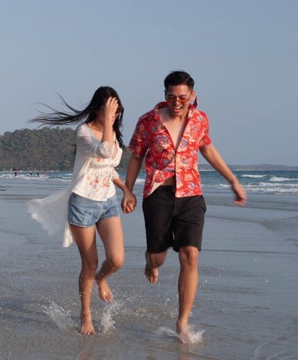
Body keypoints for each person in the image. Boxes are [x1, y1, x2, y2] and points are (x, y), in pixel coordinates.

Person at [123, 70, 247, 343]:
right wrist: (128, 191)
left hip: (191, 194)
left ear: (192, 95)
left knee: (190, 254)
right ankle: (150, 260)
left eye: (182, 97)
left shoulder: (200, 119)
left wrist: (233, 180)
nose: (176, 102)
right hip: (158, 194)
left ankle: (182, 321)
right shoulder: (149, 121)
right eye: (171, 96)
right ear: (164, 94)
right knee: (159, 257)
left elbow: (208, 150)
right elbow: (136, 157)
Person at [27, 86, 134, 335]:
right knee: (90, 263)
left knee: (117, 260)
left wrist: (126, 190)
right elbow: (104, 151)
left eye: (117, 111)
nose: (114, 115)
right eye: (109, 110)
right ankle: (85, 313)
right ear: (97, 109)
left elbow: (108, 166)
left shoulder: (113, 135)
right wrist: (108, 121)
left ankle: (102, 278)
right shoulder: (84, 132)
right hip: (83, 203)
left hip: (107, 201)